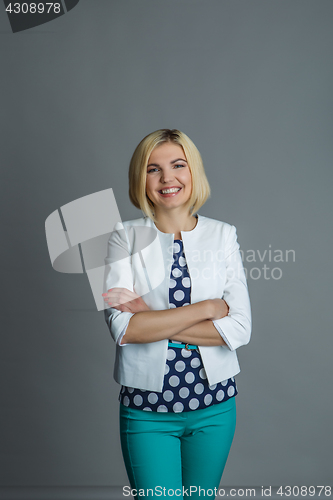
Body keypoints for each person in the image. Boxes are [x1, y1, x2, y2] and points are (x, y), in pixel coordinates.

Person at [102, 129, 251, 499]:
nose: (167, 178)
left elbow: (239, 329)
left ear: (192, 172)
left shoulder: (223, 236)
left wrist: (152, 317)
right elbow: (124, 330)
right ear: (141, 179)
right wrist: (207, 309)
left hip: (215, 406)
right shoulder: (123, 237)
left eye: (177, 165)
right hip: (147, 410)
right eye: (153, 169)